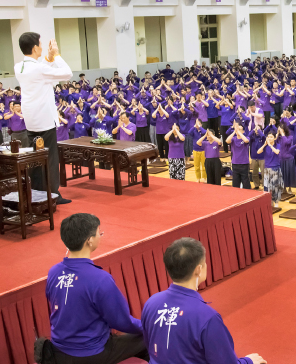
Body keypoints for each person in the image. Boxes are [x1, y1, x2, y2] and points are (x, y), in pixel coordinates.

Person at [41, 213, 148, 364]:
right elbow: (121, 321)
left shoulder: (53, 272)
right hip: (90, 353)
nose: (100, 236)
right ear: (89, 241)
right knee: (150, 336)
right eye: (99, 233)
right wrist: (148, 327)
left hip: (58, 350)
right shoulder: (100, 279)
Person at [141, 237, 266, 364]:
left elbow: (150, 345)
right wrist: (248, 361)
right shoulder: (207, 318)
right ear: (198, 270)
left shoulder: (151, 303)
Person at [14, 33, 73, 205]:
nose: (41, 47)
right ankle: (53, 194)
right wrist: (57, 55)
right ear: (34, 48)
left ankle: (37, 192)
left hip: (31, 119)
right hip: (45, 118)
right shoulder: (38, 69)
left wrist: (48, 58)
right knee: (51, 159)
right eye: (40, 44)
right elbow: (67, 74)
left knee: (36, 158)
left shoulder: (19, 67)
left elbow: (42, 71)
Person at [226, 121, 251, 189]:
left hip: (244, 164)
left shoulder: (247, 137)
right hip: (235, 163)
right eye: (237, 129)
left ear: (243, 131)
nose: (238, 130)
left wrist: (239, 132)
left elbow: (246, 141)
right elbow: (227, 141)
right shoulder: (233, 139)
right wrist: (234, 131)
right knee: (235, 183)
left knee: (245, 182)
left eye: (240, 129)